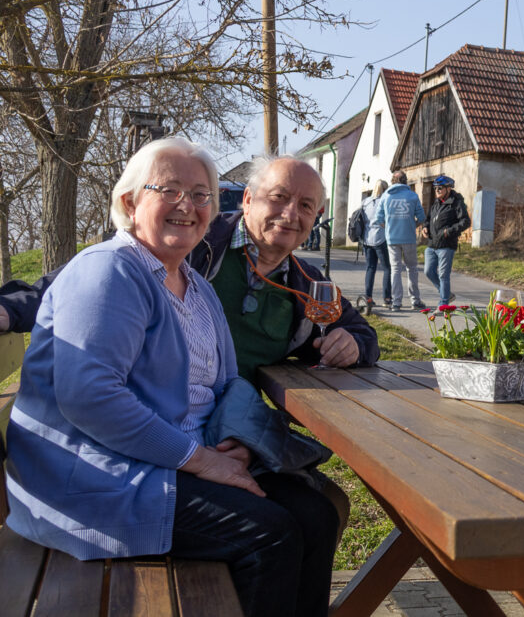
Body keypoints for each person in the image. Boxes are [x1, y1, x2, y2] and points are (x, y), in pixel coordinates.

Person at [3, 138, 339, 617]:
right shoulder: (108, 271)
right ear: (129, 201)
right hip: (102, 477)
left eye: (202, 194)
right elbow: (90, 398)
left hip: (181, 457)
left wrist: (239, 444)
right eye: (170, 189)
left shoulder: (195, 286)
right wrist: (199, 460)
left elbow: (226, 387)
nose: (189, 205)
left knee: (316, 514)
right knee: (270, 534)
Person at [0, 156, 380, 381]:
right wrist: (12, 308)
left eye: (306, 206)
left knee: (321, 506)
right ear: (247, 200)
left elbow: (361, 333)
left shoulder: (307, 282)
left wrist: (353, 345)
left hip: (230, 417)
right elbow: (92, 278)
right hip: (161, 413)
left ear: (316, 217)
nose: (290, 215)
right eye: (279, 198)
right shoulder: (195, 239)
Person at [374, 169, 427, 311]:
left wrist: (388, 228)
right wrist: (412, 226)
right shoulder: (412, 196)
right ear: (405, 180)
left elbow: (378, 219)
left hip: (392, 239)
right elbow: (422, 218)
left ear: (392, 181)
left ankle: (396, 302)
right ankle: (415, 300)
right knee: (412, 269)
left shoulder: (385, 196)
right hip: (409, 238)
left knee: (395, 270)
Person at [422, 174, 470, 307]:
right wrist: (425, 227)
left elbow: (465, 222)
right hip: (432, 244)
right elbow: (428, 219)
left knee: (443, 275)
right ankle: (447, 294)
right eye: (435, 188)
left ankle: (443, 304)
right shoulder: (436, 203)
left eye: (440, 188)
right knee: (428, 271)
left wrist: (448, 231)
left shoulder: (457, 203)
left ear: (448, 189)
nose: (436, 190)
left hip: (446, 245)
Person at [361, 180, 391, 308]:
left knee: (370, 268)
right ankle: (387, 298)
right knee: (387, 268)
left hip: (367, 238)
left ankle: (368, 297)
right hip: (380, 238)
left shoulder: (366, 202)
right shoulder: (385, 202)